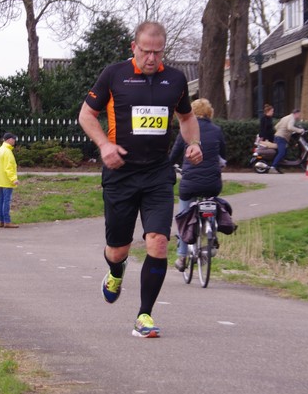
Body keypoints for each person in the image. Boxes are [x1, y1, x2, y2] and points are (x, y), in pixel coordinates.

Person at [78, 20, 203, 339]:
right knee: (118, 250)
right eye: (145, 51)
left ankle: (144, 315)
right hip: (120, 173)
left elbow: (187, 117)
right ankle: (115, 271)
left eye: (157, 52)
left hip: (158, 173)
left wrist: (194, 143)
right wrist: (104, 145)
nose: (151, 58)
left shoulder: (175, 80)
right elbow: (86, 115)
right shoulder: (114, 75)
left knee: (158, 242)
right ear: (134, 47)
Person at [170, 98, 226, 272]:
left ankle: (182, 256)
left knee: (184, 216)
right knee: (211, 201)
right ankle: (211, 233)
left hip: (190, 183)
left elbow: (174, 155)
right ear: (209, 113)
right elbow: (223, 154)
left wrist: (169, 166)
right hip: (212, 183)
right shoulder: (217, 130)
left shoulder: (186, 131)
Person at [0, 132, 19, 228]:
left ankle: (1, 221)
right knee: (6, 201)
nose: (14, 141)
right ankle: (7, 222)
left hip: (0, 180)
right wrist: (14, 179)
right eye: (13, 139)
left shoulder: (0, 150)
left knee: (1, 200)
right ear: (9, 139)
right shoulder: (7, 152)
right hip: (6, 180)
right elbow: (9, 168)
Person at [270, 109, 304, 173]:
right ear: (296, 113)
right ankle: (273, 167)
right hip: (282, 137)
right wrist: (299, 130)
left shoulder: (285, 117)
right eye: (299, 114)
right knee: (282, 152)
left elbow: (276, 127)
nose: (299, 116)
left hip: (277, 136)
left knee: (283, 152)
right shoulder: (292, 118)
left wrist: (282, 131)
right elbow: (290, 127)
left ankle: (277, 167)